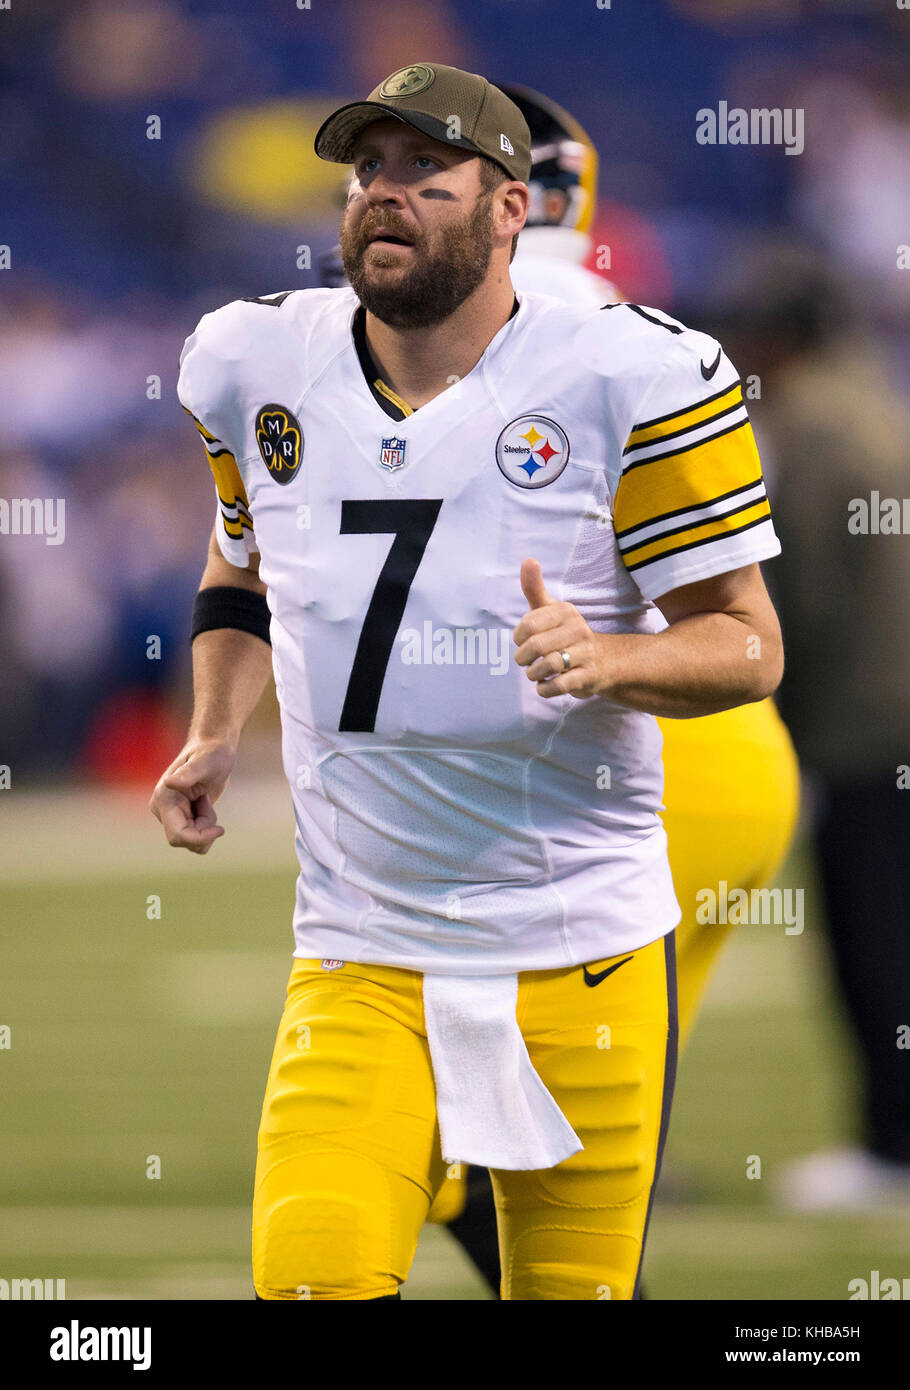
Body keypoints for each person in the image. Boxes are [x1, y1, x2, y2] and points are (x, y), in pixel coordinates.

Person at [150, 62, 785, 1300]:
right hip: (362, 942)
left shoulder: (629, 372)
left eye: (423, 174)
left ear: (510, 208)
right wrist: (216, 727)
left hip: (583, 945)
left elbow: (748, 643)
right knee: (310, 1278)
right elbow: (242, 560)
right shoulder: (254, 359)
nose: (383, 195)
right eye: (366, 170)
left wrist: (613, 656)